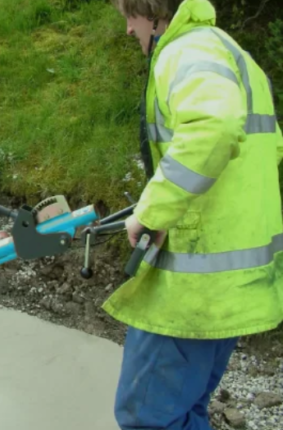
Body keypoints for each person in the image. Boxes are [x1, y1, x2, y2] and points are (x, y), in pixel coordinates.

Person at [103, 0, 283, 429]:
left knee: (148, 417)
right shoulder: (231, 51)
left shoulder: (186, 51)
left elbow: (214, 126)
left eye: (128, 15)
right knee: (186, 411)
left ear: (150, 9)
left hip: (192, 285)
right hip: (234, 279)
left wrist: (153, 212)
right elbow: (268, 149)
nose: (128, 29)